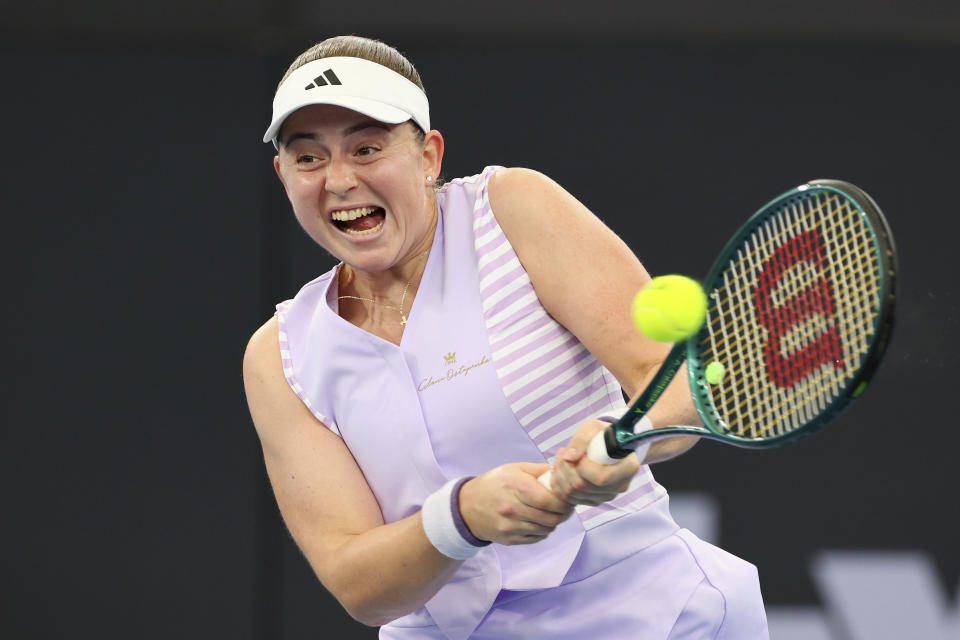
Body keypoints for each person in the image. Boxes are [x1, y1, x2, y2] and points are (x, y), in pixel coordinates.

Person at [242, 35, 769, 639]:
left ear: (428, 156)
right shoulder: (281, 354)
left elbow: (673, 374)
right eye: (309, 158)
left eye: (367, 147)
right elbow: (358, 583)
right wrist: (461, 518)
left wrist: (630, 439)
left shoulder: (511, 209)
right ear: (284, 175)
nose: (338, 179)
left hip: (650, 611)